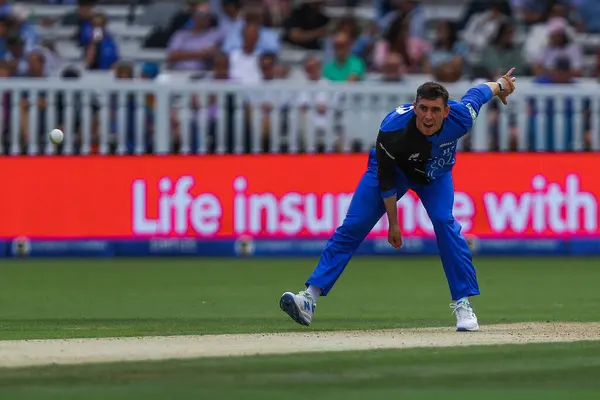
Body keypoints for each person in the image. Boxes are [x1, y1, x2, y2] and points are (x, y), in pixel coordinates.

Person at [280, 68, 517, 332]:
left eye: (435, 110)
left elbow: (479, 93)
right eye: (423, 108)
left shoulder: (461, 117)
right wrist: (393, 224)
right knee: (354, 226)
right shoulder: (393, 129)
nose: (428, 116)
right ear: (415, 107)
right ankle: (309, 298)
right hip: (394, 172)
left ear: (446, 111)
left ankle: (463, 306)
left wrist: (501, 84)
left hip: (434, 176)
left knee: (444, 222)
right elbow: (386, 177)